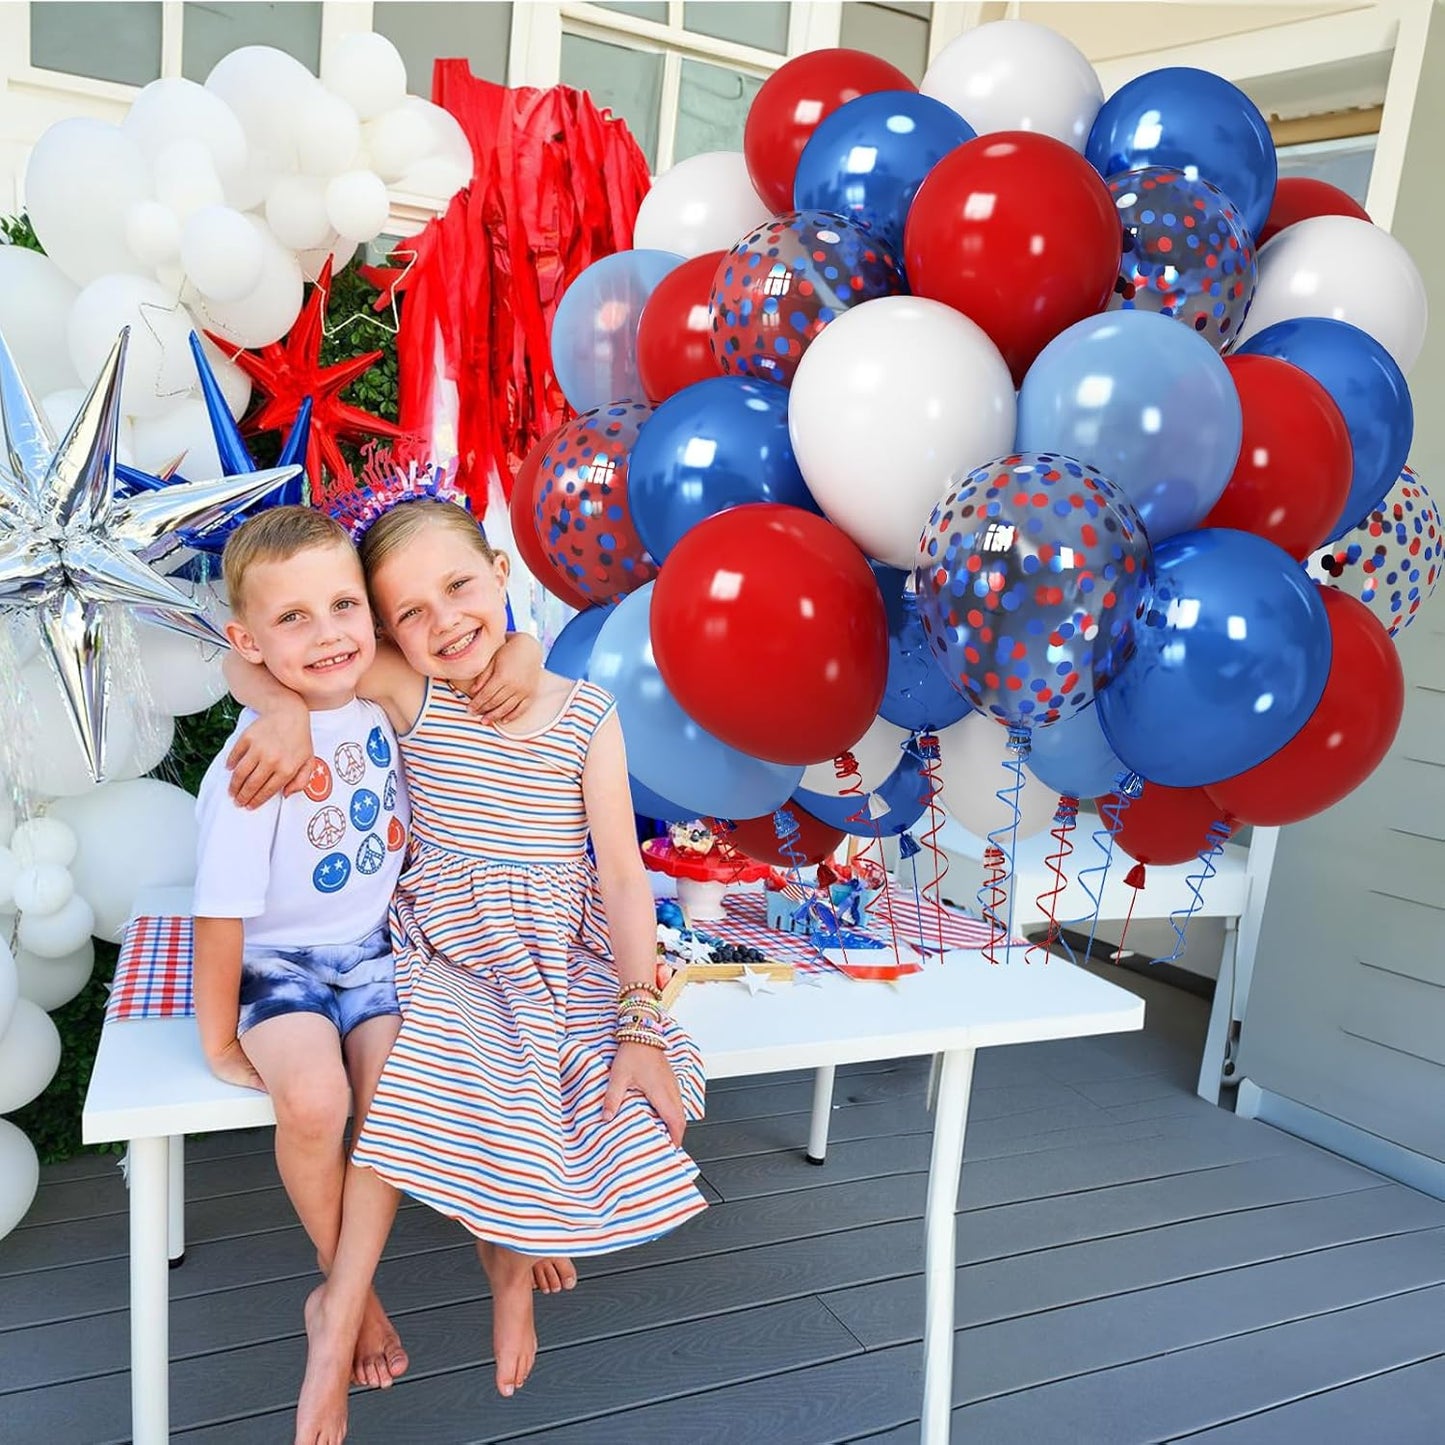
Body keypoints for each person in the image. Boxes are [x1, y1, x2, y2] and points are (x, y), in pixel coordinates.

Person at [229, 495, 707, 1445]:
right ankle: (338, 1317)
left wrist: (640, 1022)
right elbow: (250, 646)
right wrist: (279, 704)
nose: (441, 621)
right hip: (440, 947)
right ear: (385, 628)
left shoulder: (584, 713)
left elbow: (620, 871)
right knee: (419, 1066)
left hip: (552, 956)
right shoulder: (413, 692)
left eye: (458, 587)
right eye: (408, 611)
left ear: (499, 569)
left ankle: (508, 1253)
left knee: (571, 1080)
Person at [196, 505, 546, 1396]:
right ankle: (344, 1287)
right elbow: (221, 915)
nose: (326, 634)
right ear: (253, 637)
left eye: (344, 606)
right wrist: (218, 1039)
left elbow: (493, 648)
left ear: (374, 616)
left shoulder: (379, 694)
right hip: (280, 965)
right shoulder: (256, 760)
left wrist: (526, 646)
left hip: (377, 948)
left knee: (401, 1094)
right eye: (294, 619)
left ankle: (493, 1245)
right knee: (315, 1101)